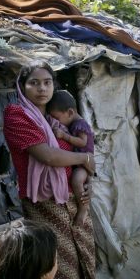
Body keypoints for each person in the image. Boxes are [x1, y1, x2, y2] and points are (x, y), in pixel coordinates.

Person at [3, 61, 100, 279]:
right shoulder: (17, 115)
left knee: (83, 271)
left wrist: (83, 174)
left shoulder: (57, 120)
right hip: (44, 205)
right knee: (55, 276)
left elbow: (83, 145)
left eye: (47, 82)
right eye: (34, 82)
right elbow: (47, 156)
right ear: (23, 86)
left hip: (73, 202)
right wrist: (84, 158)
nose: (41, 88)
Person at [46, 90, 95, 226]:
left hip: (84, 164)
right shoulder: (73, 123)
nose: (58, 122)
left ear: (70, 112)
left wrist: (64, 136)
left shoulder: (80, 124)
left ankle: (83, 209)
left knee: (76, 180)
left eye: (58, 118)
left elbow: (82, 142)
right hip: (80, 162)